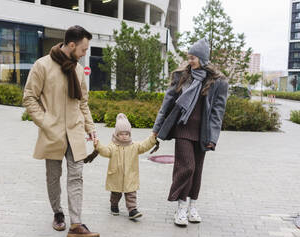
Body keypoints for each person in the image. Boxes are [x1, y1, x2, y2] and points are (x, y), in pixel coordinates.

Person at [23, 25, 99, 237]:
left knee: (77, 177)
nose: (85, 53)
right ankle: (58, 212)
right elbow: (29, 97)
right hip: (53, 133)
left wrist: (91, 129)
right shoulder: (42, 66)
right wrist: (46, 122)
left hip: (75, 133)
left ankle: (76, 224)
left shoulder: (77, 70)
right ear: (72, 45)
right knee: (53, 177)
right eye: (83, 49)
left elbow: (83, 103)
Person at [152, 38, 228, 226]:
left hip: (202, 132)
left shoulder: (217, 82)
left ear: (202, 59)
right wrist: (156, 128)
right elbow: (167, 103)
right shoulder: (181, 76)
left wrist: (213, 137)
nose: (189, 61)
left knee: (197, 170)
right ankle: (181, 207)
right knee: (187, 167)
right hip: (183, 128)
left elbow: (218, 112)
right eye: (188, 57)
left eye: (193, 58)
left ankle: (193, 206)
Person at [93, 113, 157, 220]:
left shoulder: (134, 146)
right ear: (116, 134)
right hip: (116, 175)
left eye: (126, 133)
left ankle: (132, 210)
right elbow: (105, 152)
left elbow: (145, 146)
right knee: (115, 194)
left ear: (130, 134)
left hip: (130, 175)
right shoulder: (113, 146)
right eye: (121, 134)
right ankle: (114, 206)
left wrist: (153, 138)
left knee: (131, 193)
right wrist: (97, 145)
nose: (124, 136)